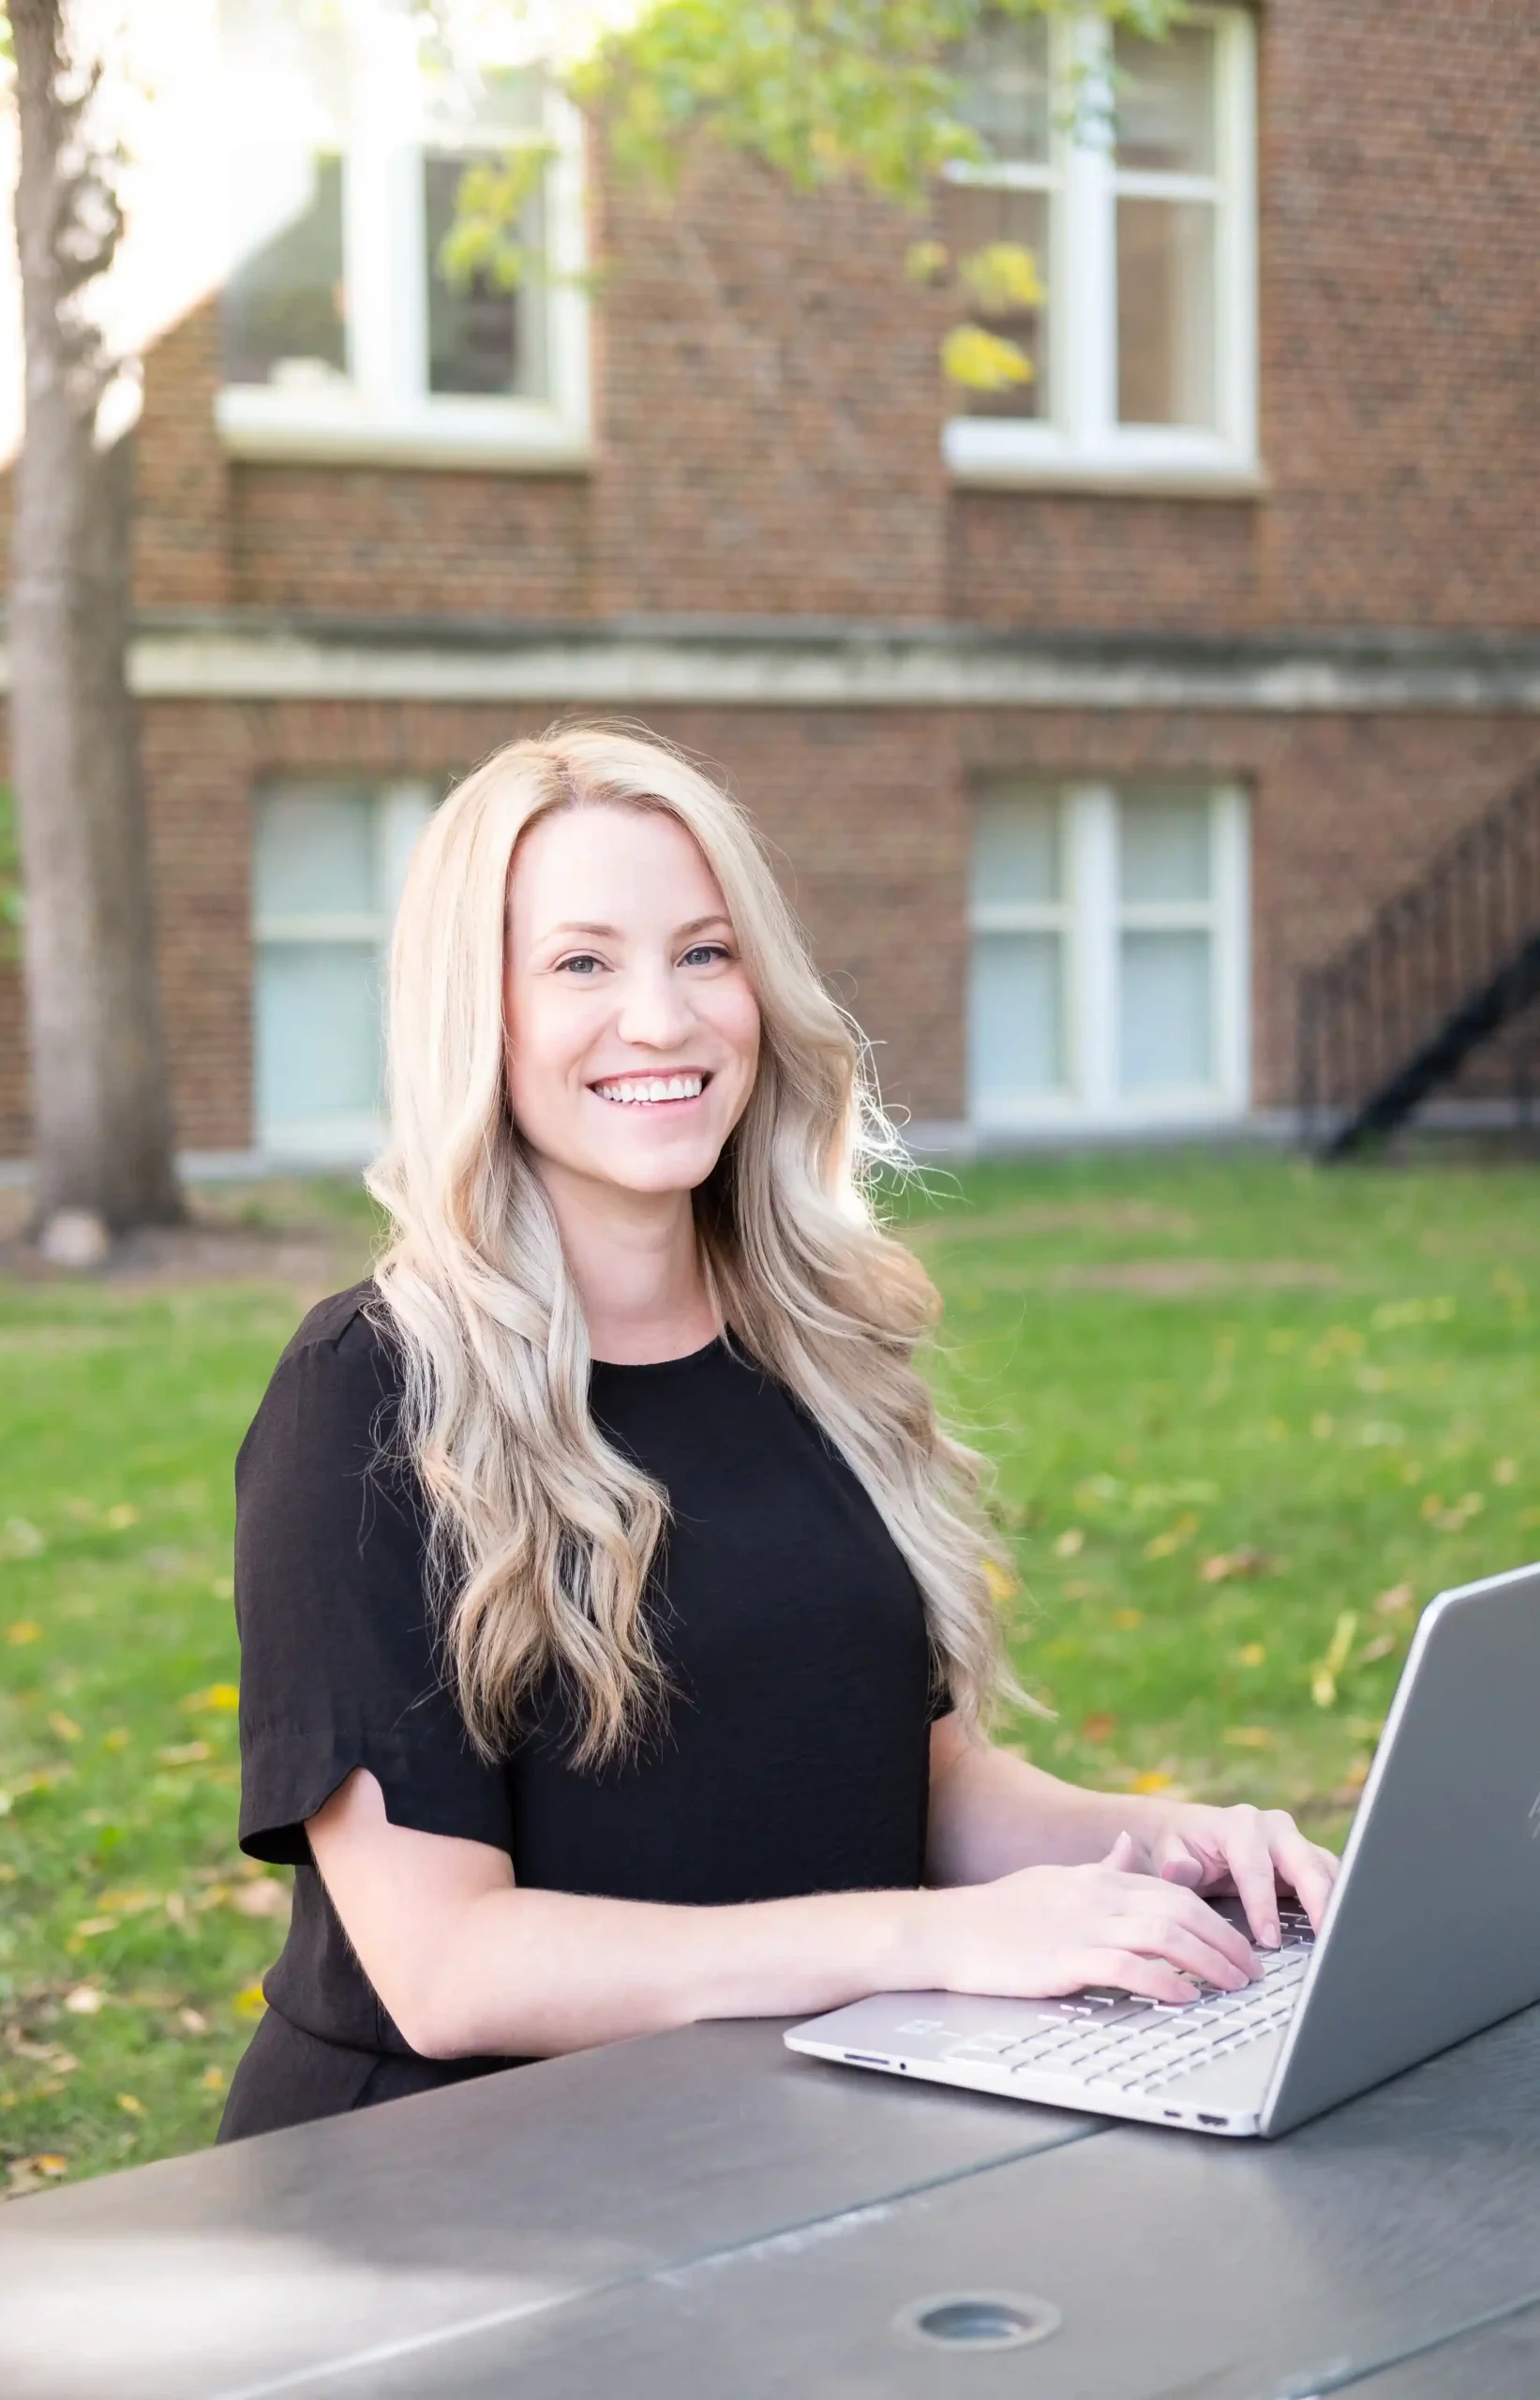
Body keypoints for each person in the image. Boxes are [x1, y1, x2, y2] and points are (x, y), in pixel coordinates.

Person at [218, 725, 1338, 2141]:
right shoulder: (371, 1392)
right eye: (580, 963)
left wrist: (1164, 1850)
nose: (664, 1020)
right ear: (477, 1012)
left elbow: (921, 1784)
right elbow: (446, 1969)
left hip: (785, 2128)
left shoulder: (814, 1343)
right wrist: (931, 1944)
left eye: (704, 952)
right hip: (442, 2182)